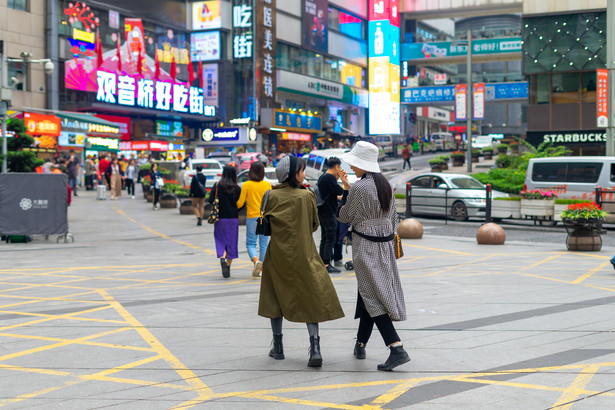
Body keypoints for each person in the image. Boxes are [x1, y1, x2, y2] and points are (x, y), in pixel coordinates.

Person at [259, 156, 344, 367]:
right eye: (302, 170)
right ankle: (315, 347)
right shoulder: (306, 196)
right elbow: (314, 225)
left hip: (277, 254)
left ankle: (278, 347)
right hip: (304, 253)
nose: (304, 174)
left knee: (274, 297)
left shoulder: (270, 195)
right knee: (311, 297)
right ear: (293, 173)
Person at [338, 141, 410, 372]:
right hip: (385, 246)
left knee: (372, 296)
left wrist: (345, 196)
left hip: (365, 247)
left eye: (354, 164)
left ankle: (396, 347)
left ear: (362, 164)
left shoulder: (359, 188)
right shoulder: (386, 185)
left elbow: (344, 216)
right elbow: (393, 220)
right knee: (370, 292)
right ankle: (361, 344)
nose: (352, 167)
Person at [236, 162, 272, 277]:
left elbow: (240, 203)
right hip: (265, 217)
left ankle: (256, 261)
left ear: (250, 171)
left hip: (252, 217)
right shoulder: (267, 185)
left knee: (251, 243)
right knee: (264, 243)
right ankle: (261, 269)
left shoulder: (247, 185)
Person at [207, 165, 241, 278]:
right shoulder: (237, 188)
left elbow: (211, 199)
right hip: (233, 218)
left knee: (221, 240)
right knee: (231, 242)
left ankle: (222, 258)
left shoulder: (217, 185)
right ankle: (228, 267)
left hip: (220, 218)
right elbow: (240, 204)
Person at [317, 157, 345, 273]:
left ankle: (323, 262)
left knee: (325, 237)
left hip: (322, 211)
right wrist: (342, 180)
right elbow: (339, 190)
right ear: (337, 167)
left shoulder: (323, 176)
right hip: (329, 212)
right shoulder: (330, 177)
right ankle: (327, 263)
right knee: (330, 238)